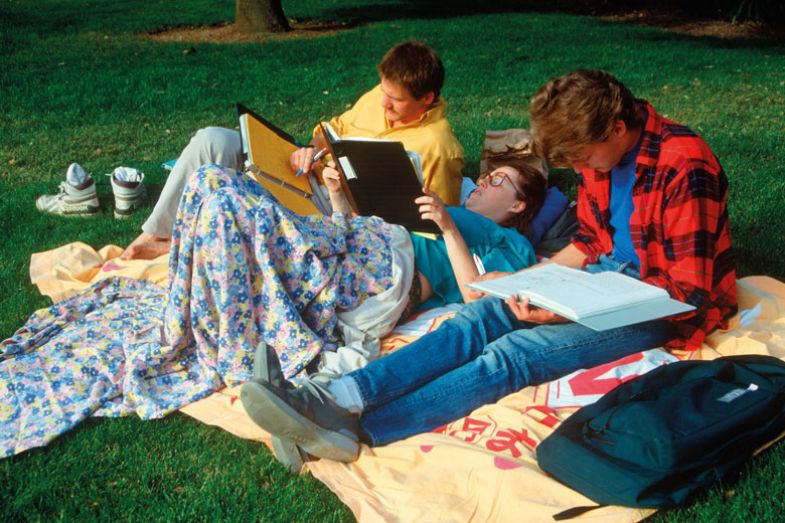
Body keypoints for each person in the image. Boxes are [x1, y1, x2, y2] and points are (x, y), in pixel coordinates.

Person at [239, 69, 738, 465]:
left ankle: (354, 430)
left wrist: (565, 313)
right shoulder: (606, 153)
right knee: (479, 317)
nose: (586, 172)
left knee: (516, 353)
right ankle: (340, 396)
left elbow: (684, 295)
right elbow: (589, 243)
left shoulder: (682, 165)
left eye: (587, 160)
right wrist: (526, 284)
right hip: (605, 283)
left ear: (617, 127)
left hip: (658, 308)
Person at [122, 40, 465, 260]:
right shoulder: (379, 98)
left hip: (335, 209)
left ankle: (181, 246)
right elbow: (333, 130)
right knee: (213, 140)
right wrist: (310, 150)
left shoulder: (437, 145)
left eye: (396, 100)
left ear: (427, 99)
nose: (385, 104)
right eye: (384, 93)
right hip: (305, 172)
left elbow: (441, 224)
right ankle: (154, 235)